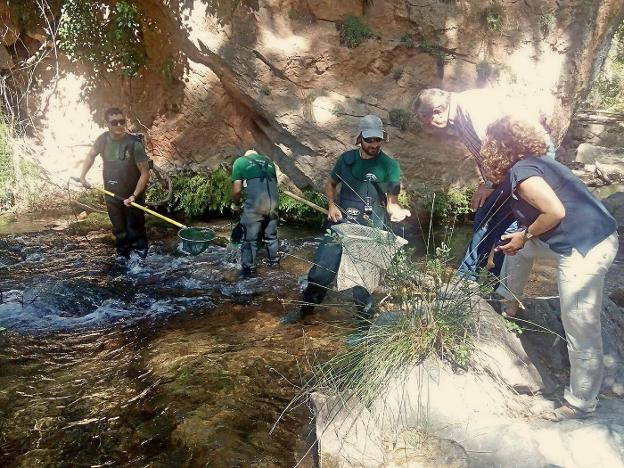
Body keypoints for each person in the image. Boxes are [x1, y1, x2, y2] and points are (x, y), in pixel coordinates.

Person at [481, 116, 619, 421]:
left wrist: (525, 234)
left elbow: (555, 211)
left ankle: (580, 403)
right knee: (516, 250)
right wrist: (521, 238)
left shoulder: (524, 172)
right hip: (586, 236)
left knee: (579, 323)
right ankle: (508, 306)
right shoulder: (538, 161)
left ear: (499, 146)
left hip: (586, 246)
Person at [281, 114, 411, 326]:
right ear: (359, 138)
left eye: (378, 139)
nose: (374, 144)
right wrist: (331, 205)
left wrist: (396, 211)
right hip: (341, 226)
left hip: (371, 230)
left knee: (363, 283)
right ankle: (306, 311)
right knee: (320, 273)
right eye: (369, 140)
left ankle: (364, 326)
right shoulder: (345, 160)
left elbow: (392, 202)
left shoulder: (390, 166)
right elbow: (330, 184)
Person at [412, 88, 555, 280]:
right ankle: (482, 283)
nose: (430, 125)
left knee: (496, 219)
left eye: (428, 120)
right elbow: (483, 153)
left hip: (528, 157)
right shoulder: (458, 117)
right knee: (491, 217)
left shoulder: (472, 107)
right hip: (511, 164)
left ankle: (475, 283)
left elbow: (496, 146)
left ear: (437, 110)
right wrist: (486, 182)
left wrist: (490, 183)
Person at [80, 107, 150, 258]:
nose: (119, 125)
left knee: (135, 233)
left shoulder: (134, 144)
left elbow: (145, 173)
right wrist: (83, 176)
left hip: (133, 197)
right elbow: (91, 156)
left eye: (122, 121)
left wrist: (134, 195)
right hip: (112, 196)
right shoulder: (102, 140)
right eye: (114, 122)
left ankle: (142, 266)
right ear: (107, 123)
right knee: (120, 233)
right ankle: (123, 264)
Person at [231, 149, 280, 277]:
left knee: (249, 239)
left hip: (255, 205)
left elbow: (237, 190)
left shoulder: (240, 162)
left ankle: (249, 272)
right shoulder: (269, 163)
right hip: (273, 204)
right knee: (271, 237)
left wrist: (236, 204)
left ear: (245, 155)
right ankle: (274, 267)